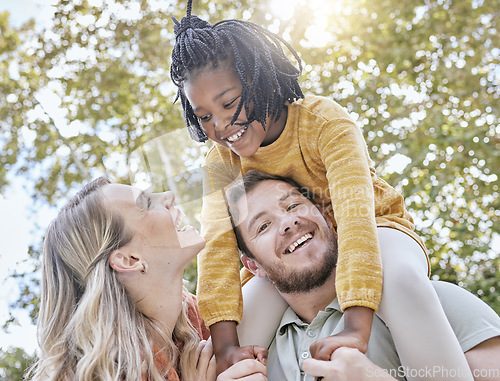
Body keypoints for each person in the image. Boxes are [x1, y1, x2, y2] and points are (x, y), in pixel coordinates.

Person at [169, 1, 474, 379]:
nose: (220, 125)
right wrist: (228, 346)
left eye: (229, 103)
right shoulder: (220, 162)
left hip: (375, 227)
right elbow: (216, 247)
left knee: (399, 282)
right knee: (225, 338)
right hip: (291, 257)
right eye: (203, 117)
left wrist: (355, 325)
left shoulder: (325, 122)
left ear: (258, 80)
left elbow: (356, 218)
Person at [226, 170, 500, 381]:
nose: (288, 222)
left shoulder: (437, 303)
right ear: (252, 266)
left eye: (293, 206)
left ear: (327, 217)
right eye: (263, 226)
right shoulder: (255, 357)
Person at [28, 176, 267, 381]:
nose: (168, 196)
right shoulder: (109, 371)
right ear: (130, 260)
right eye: (145, 203)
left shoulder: (196, 317)